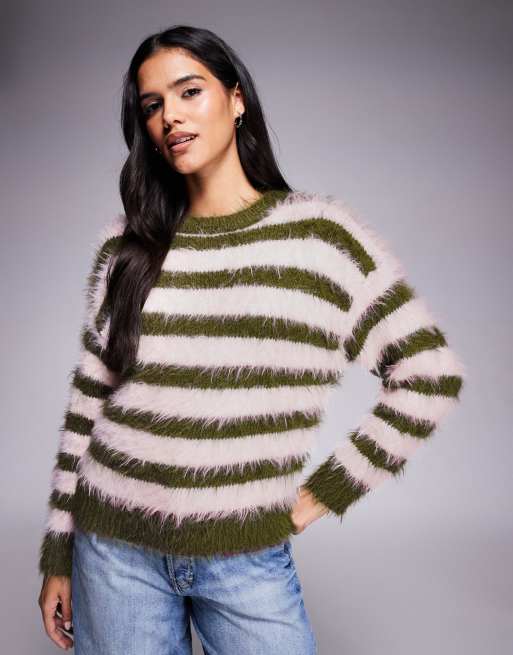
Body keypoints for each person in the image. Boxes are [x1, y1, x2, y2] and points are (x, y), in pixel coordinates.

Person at [37, 24, 465, 655]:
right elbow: (88, 404)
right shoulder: (126, 246)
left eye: (189, 91)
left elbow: (429, 375)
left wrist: (316, 499)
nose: (170, 117)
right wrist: (59, 552)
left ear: (236, 99)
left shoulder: (318, 238)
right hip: (113, 553)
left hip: (244, 560)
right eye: (152, 105)